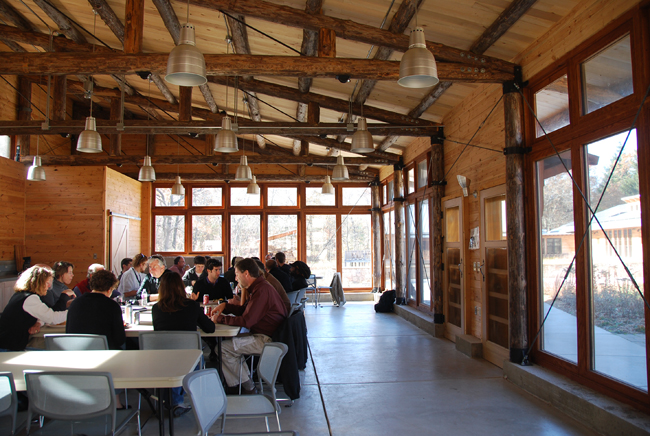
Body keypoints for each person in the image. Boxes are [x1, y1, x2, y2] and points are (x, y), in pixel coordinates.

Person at [210, 258, 286, 394]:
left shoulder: (261, 291)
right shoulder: (259, 287)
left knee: (222, 349)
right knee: (229, 344)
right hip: (265, 334)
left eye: (237, 274)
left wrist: (220, 319)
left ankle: (247, 387)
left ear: (246, 274)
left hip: (266, 339)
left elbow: (246, 321)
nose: (236, 278)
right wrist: (226, 307)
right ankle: (239, 384)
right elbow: (246, 311)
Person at [152, 272, 215, 416]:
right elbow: (210, 328)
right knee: (180, 362)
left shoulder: (156, 309)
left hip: (163, 358)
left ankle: (172, 401)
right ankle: (178, 402)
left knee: (171, 364)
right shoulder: (191, 306)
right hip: (189, 358)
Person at [0, 265, 68, 351]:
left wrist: (38, 322)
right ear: (39, 283)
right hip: (8, 348)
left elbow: (42, 315)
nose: (49, 286)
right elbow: (52, 318)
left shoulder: (20, 295)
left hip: (8, 344)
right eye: (47, 283)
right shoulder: (30, 299)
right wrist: (73, 312)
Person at [66, 270, 126, 351]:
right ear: (110, 289)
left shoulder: (75, 303)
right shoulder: (112, 306)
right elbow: (119, 339)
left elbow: (68, 332)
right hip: (105, 354)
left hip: (77, 352)